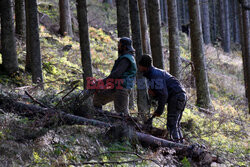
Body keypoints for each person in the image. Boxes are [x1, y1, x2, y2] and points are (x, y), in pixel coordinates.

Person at [138, 54, 186, 143]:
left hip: (177, 96)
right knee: (175, 124)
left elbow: (163, 94)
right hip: (180, 95)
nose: (139, 67)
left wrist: (159, 110)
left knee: (172, 124)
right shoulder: (152, 73)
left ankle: (177, 146)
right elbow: (161, 91)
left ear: (144, 65)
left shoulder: (154, 75)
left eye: (139, 65)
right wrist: (154, 93)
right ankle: (180, 144)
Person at [91, 37, 137, 115]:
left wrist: (102, 82)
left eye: (119, 45)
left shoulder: (126, 59)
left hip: (122, 88)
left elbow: (116, 74)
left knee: (122, 114)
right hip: (116, 87)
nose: (118, 47)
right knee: (98, 98)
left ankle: (127, 126)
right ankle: (98, 118)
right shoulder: (125, 57)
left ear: (124, 47)